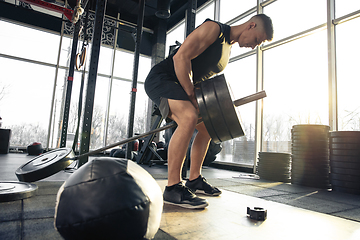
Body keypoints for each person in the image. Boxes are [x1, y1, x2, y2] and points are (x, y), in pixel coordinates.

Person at [145, 14, 274, 209]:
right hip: (162, 79)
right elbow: (181, 57)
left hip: (182, 86)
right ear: (251, 25)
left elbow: (203, 80)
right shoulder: (214, 29)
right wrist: (190, 95)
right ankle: (172, 188)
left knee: (209, 128)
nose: (254, 46)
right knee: (188, 117)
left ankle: (194, 179)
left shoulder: (227, 50)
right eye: (257, 40)